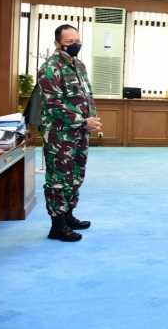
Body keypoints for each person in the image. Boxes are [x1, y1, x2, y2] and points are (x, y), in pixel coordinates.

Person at [38, 24, 102, 242]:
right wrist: (84, 121)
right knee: (58, 178)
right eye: (69, 42)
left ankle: (68, 215)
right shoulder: (50, 68)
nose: (75, 45)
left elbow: (87, 95)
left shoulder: (79, 65)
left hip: (80, 132)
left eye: (77, 40)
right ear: (58, 43)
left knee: (75, 175)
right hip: (59, 134)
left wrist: (92, 121)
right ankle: (57, 226)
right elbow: (54, 104)